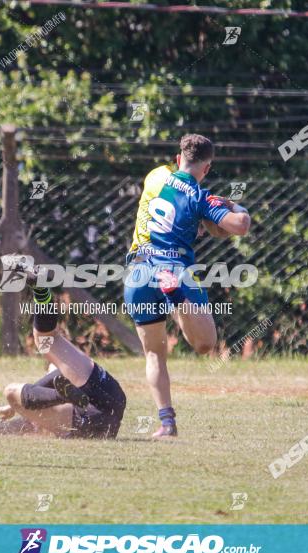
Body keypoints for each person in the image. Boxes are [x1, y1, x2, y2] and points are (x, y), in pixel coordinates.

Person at [123, 134, 251, 439]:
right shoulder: (199, 196)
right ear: (206, 168)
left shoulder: (156, 177)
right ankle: (177, 295)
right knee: (206, 344)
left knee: (154, 353)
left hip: (138, 270)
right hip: (173, 268)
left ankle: (166, 423)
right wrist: (236, 208)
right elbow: (238, 226)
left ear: (178, 158)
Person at [0, 261, 126, 438]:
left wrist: (14, 405)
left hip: (96, 421)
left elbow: (6, 427)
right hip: (112, 395)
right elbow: (11, 423)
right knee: (46, 343)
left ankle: (41, 291)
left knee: (18, 385)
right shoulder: (45, 415)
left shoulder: (46, 416)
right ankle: (41, 291)